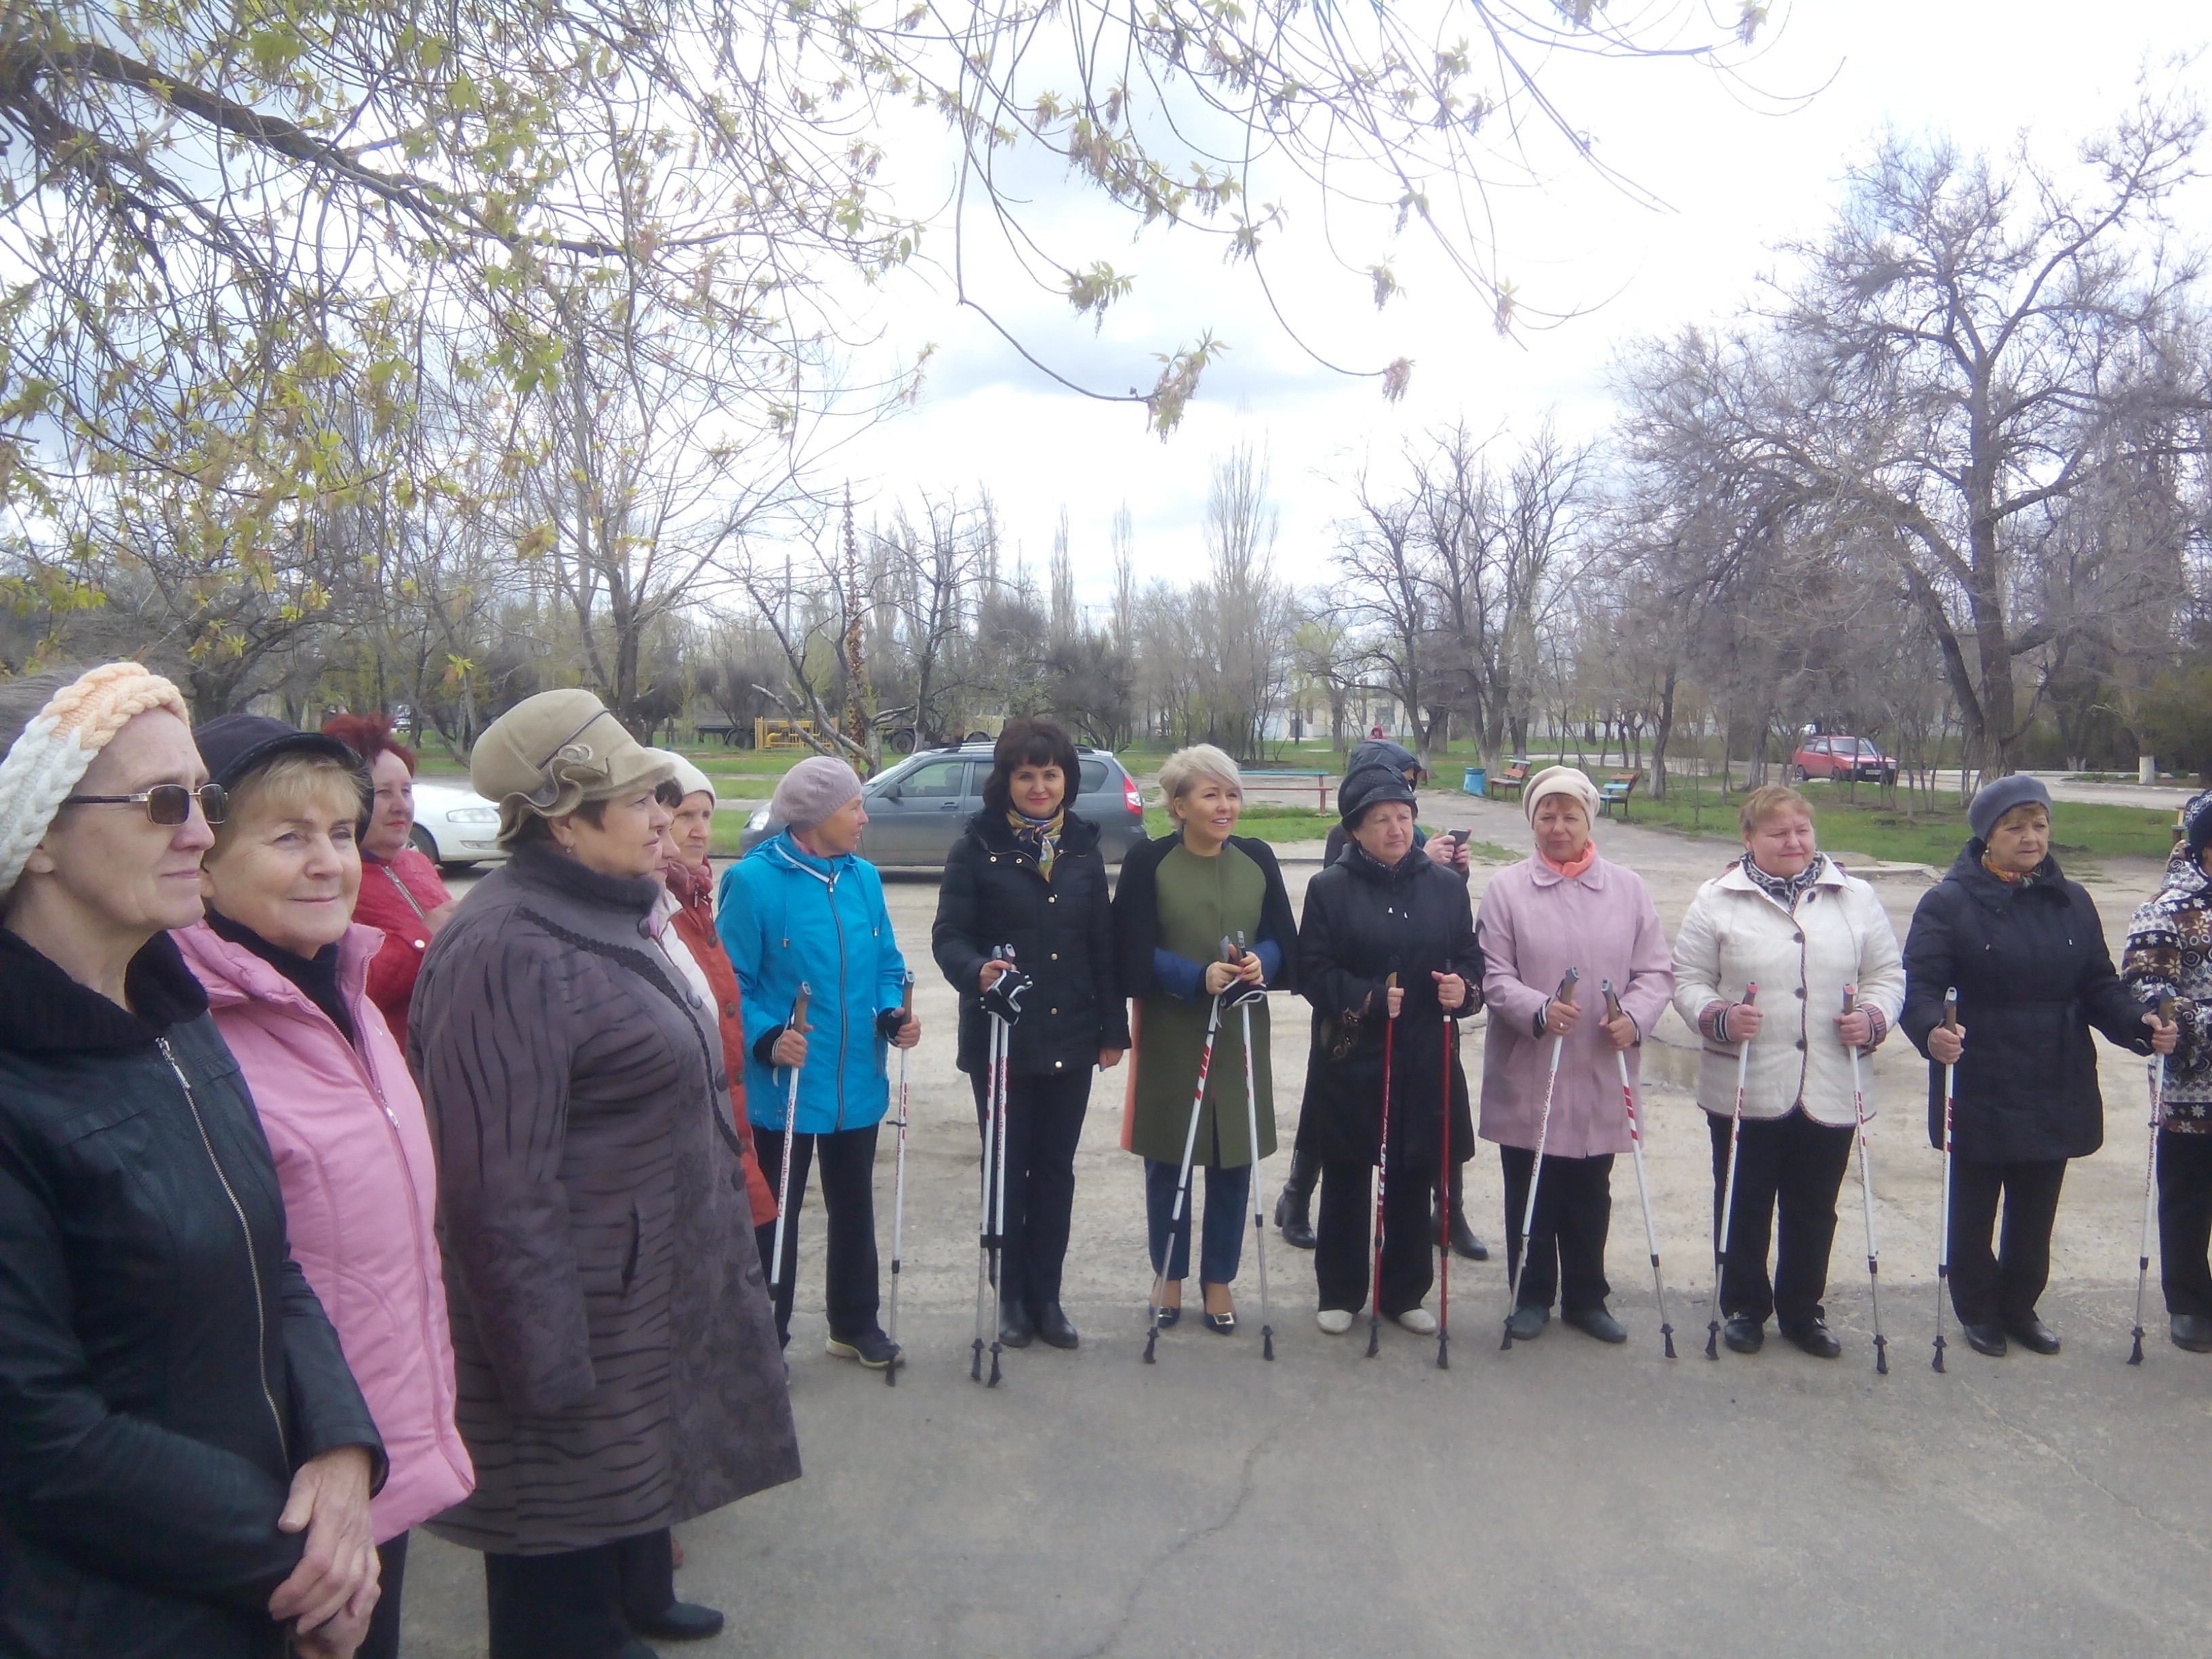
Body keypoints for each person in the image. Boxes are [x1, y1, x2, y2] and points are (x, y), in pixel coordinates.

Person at [0, 663, 384, 1659]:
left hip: (257, 1581)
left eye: (204, 800)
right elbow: (39, 1436)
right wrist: (299, 1564)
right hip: (114, 1615)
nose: (202, 835)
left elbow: (274, 1264)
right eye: (163, 803)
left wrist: (342, 1455)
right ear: (36, 834)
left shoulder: (174, 1020)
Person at [409, 689, 798, 1659]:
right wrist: (543, 1369)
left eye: (665, 794)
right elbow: (496, 1191)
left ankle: (633, 1601)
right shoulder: (506, 947)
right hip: (572, 1311)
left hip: (635, 1291)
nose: (666, 814)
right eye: (640, 799)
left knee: (626, 1488)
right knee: (555, 1557)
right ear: (562, 819)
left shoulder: (606, 911)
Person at [176, 715, 474, 1659]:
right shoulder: (188, 1032)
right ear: (204, 863)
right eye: (287, 837)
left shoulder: (339, 987)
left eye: (341, 834)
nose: (328, 864)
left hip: (383, 1441)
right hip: (288, 1485)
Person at [1904, 775, 2173, 1357]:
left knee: (2036, 1205)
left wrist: (2137, 1023)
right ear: (1988, 836)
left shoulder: (2071, 900)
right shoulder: (1948, 902)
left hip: (2056, 1068)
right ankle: (1977, 1309)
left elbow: (2100, 983)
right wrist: (1932, 1031)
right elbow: (1921, 987)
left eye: (2040, 824)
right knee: (1975, 1206)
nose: (2031, 837)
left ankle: (2020, 1305)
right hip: (1979, 1072)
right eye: (2016, 826)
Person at [1672, 783, 1905, 1359]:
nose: (1793, 842)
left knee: (1814, 1205)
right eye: (1778, 833)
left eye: (1802, 830)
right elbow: (1687, 980)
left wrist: (1873, 1018)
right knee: (1743, 1200)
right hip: (1746, 1080)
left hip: (1830, 1077)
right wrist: (1719, 1016)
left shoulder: (1855, 897)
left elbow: (1888, 973)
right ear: (1748, 839)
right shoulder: (1717, 900)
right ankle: (1745, 1306)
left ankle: (1804, 1311)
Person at [932, 717, 1129, 1351]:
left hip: (1071, 1036)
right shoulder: (975, 848)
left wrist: (1112, 1029)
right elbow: (949, 937)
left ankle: (1047, 1295)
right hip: (1001, 1040)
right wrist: (976, 971)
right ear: (1006, 781)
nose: (1039, 786)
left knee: (1054, 1173)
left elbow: (1102, 943)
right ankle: (1010, 1294)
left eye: (1050, 774)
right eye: (1026, 774)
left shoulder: (1081, 849)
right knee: (1007, 1169)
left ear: (1066, 779)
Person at [718, 754, 922, 1368]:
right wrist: (769, 1035)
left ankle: (854, 1325)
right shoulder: (754, 883)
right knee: (775, 1220)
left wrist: (892, 1013)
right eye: (854, 806)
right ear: (816, 816)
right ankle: (765, 1340)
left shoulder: (863, 876)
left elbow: (887, 964)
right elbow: (732, 984)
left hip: (856, 1079)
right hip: (786, 1085)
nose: (864, 817)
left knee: (854, 1206)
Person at [1475, 766, 1674, 1343]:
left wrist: (1633, 1017)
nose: (1558, 826)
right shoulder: (1507, 888)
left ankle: (1587, 1296)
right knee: (1531, 1185)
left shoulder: (1628, 888)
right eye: (1547, 815)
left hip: (1598, 1063)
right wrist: (1537, 1008)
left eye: (1570, 815)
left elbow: (1655, 970)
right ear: (1531, 821)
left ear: (1590, 820)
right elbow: (1493, 974)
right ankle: (1531, 1294)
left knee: (1591, 1188)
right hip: (1532, 1062)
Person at [1281, 736, 1487, 1261]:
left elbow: (1468, 956)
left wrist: (1463, 991)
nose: (1397, 829)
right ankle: (1341, 1290)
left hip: (1424, 1053)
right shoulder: (1331, 886)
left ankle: (1405, 1291)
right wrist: (1368, 998)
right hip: (1354, 1055)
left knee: (1413, 1174)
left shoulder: (1443, 885)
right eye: (1382, 819)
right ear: (1355, 828)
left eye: (1405, 816)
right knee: (1349, 1176)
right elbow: (1313, 972)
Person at [1115, 744, 1298, 1332]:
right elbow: (1129, 953)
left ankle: (1219, 1279)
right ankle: (1168, 1273)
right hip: (1174, 1028)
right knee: (1169, 1155)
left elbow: (1285, 942)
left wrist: (1258, 963)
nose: (1225, 806)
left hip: (1242, 1030)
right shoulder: (1150, 862)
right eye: (1211, 794)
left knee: (1233, 1157)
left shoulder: (1257, 858)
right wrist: (1194, 976)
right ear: (1179, 805)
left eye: (1232, 794)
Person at [2123, 789, 2212, 1353]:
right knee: (2189, 1196)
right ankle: (2189, 1303)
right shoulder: (2167, 909)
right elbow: (2149, 994)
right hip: (2192, 1091)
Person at [321, 713, 454, 1050]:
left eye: (406, 791)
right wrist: (425, 939)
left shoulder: (418, 863)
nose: (401, 807)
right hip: (394, 1064)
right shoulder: (328, 878)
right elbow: (347, 985)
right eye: (383, 793)